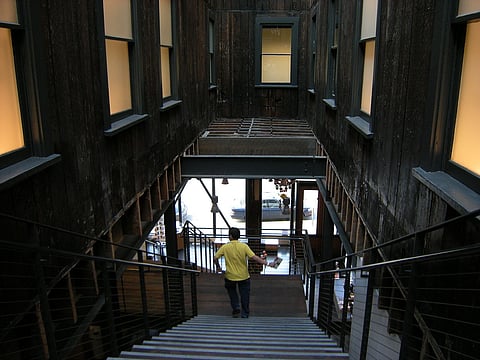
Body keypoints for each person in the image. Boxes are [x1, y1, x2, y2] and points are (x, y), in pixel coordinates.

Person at [214, 227, 272, 318]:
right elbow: (254, 257)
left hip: (230, 276)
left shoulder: (225, 247)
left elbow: (215, 257)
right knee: (245, 295)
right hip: (244, 276)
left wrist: (218, 267)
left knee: (232, 293)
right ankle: (245, 313)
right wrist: (268, 263)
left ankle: (236, 308)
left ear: (230, 236)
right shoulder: (244, 246)